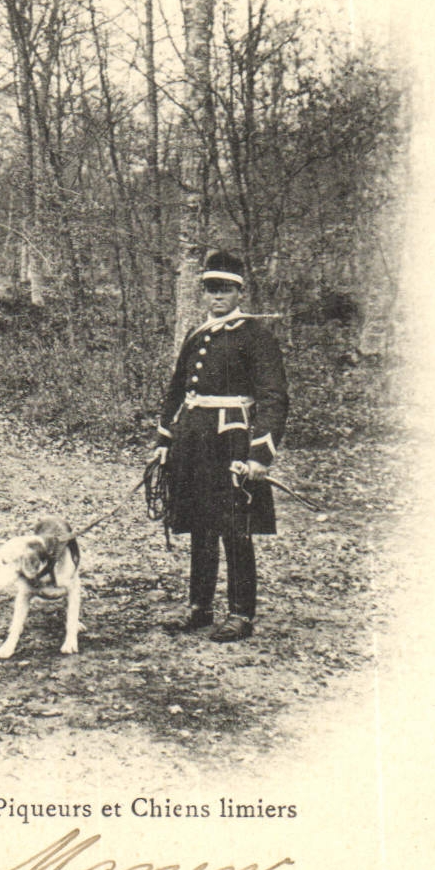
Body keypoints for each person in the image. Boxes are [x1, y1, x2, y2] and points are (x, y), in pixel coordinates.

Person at [151, 250, 289, 642]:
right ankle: (199, 608)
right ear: (203, 293)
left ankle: (241, 613)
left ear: (239, 293)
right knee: (199, 525)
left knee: (235, 527)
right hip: (193, 439)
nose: (217, 297)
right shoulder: (196, 335)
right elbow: (178, 389)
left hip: (231, 440)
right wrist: (165, 439)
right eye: (211, 289)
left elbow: (274, 397)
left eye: (225, 290)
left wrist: (260, 453)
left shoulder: (256, 337)